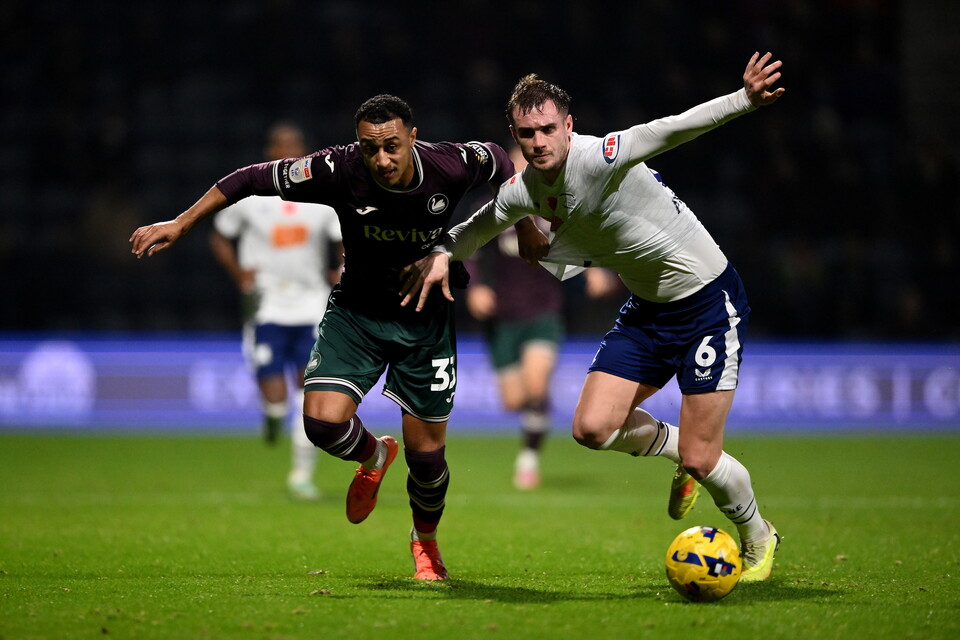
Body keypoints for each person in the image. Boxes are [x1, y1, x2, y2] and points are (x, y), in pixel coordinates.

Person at [401, 53, 786, 582]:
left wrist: (743, 99)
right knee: (591, 428)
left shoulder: (601, 155)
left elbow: (670, 130)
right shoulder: (524, 190)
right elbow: (479, 226)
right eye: (526, 132)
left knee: (702, 458)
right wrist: (441, 252)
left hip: (705, 304)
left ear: (569, 126)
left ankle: (759, 535)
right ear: (513, 133)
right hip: (647, 313)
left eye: (547, 129)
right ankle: (682, 454)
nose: (537, 141)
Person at [130, 94, 515, 581]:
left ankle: (426, 543)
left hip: (424, 319)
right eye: (371, 148)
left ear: (412, 137)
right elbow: (250, 178)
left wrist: (523, 227)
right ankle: (374, 454)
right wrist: (181, 223)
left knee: (428, 460)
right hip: (356, 315)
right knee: (322, 425)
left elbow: (500, 161)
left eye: (392, 146)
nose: (382, 159)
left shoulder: (450, 164)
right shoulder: (337, 168)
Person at [464, 148, 621, 489]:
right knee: (514, 401)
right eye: (515, 165)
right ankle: (537, 413)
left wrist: (594, 272)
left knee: (536, 386)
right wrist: (475, 287)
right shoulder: (491, 207)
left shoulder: (556, 206)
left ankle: (528, 460)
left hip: (543, 310)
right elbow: (471, 249)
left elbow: (585, 241)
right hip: (501, 318)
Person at [209, 122, 343, 501]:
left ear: (303, 151)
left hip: (311, 305)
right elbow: (220, 236)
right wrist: (238, 274)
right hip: (266, 304)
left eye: (294, 147)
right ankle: (271, 415)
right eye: (280, 146)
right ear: (270, 151)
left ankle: (301, 474)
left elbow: (341, 241)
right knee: (275, 395)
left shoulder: (320, 198)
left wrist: (341, 269)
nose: (287, 153)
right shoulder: (252, 197)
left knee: (308, 393)